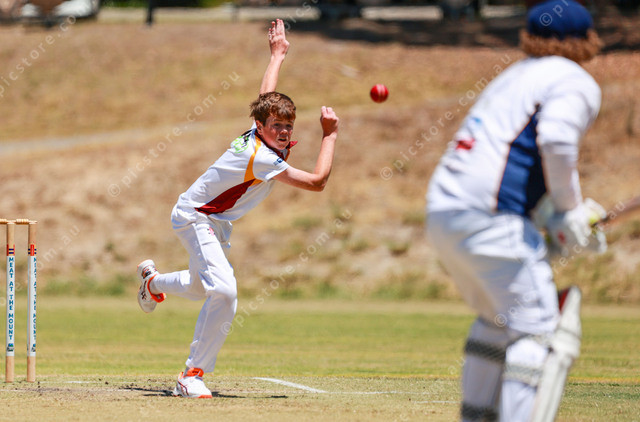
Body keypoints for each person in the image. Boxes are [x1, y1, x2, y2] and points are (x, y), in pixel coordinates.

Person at [136, 19, 339, 398]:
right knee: (225, 292)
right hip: (196, 216)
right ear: (260, 126)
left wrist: (277, 55)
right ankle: (191, 375)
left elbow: (266, 97)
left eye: (289, 126)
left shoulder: (260, 132)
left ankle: (152, 283)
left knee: (200, 287)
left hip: (212, 220)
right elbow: (317, 182)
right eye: (277, 125)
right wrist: (330, 135)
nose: (284, 132)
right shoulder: (261, 156)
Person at [426, 1, 606, 421]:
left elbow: (507, 153)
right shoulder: (573, 79)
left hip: (444, 210)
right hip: (492, 213)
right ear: (586, 40)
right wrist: (571, 211)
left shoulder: (511, 76)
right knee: (540, 330)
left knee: (497, 320)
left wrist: (547, 221)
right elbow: (556, 141)